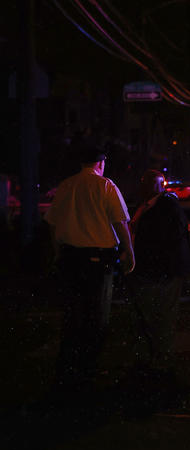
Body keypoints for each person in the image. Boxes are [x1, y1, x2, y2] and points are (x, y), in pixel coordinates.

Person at [45, 145, 134, 396]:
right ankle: (87, 372)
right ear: (101, 163)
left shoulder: (66, 186)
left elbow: (53, 224)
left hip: (71, 257)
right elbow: (120, 222)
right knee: (96, 316)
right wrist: (129, 252)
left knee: (73, 313)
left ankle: (67, 371)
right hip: (98, 259)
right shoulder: (106, 186)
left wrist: (57, 252)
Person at [128, 169, 190, 380]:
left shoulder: (164, 207)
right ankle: (155, 358)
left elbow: (165, 239)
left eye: (148, 183)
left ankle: (159, 360)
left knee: (159, 316)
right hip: (154, 269)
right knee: (155, 315)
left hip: (159, 270)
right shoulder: (152, 206)